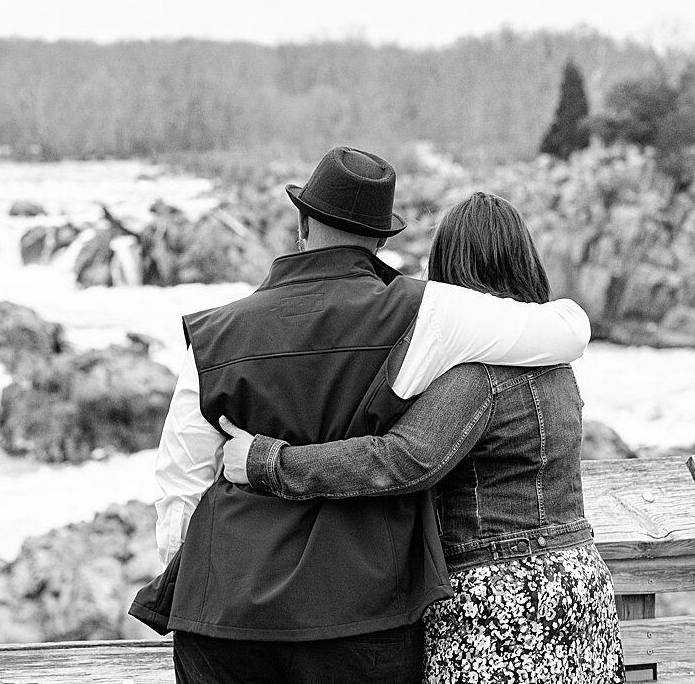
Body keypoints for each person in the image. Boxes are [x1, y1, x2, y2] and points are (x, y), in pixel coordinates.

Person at [130, 147, 591, 684]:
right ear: (380, 240)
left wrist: (199, 580)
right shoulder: (430, 313)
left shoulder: (213, 334)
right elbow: (568, 329)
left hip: (223, 611)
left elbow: (179, 482)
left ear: (301, 225)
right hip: (361, 610)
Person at [218, 191, 622, 683]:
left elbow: (403, 459)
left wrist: (266, 462)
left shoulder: (476, 373)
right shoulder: (555, 361)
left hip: (503, 602)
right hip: (580, 586)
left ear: (450, 268)